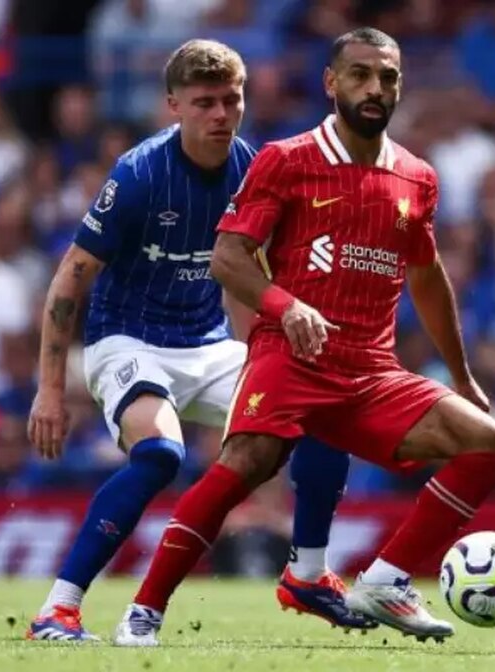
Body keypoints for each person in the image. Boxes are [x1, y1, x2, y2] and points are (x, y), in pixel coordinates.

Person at [115, 27, 495, 646]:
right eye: (360, 75)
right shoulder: (287, 159)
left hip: (371, 373)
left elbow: (428, 278)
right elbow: (227, 256)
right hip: (291, 357)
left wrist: (460, 375)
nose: (375, 88)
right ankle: (144, 613)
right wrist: (285, 304)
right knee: (244, 464)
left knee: (487, 444)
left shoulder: (417, 177)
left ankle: (385, 580)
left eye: (388, 78)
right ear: (331, 83)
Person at [26, 39, 367, 642]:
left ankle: (309, 572)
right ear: (173, 106)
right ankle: (59, 608)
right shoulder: (139, 174)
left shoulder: (253, 170)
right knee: (161, 455)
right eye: (204, 102)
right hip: (127, 341)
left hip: (207, 344)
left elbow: (258, 272)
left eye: (230, 101)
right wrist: (50, 390)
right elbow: (69, 279)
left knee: (322, 414)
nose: (219, 115)